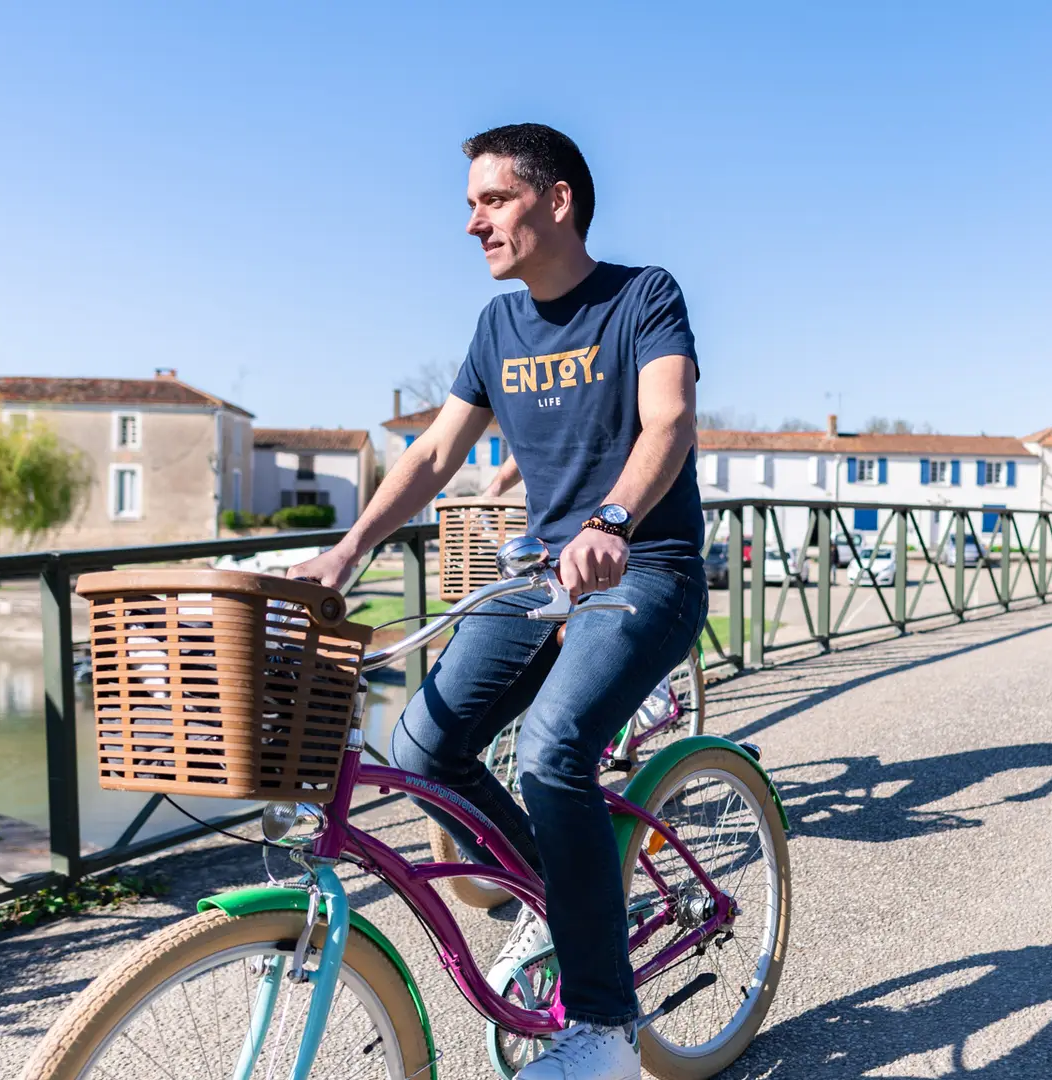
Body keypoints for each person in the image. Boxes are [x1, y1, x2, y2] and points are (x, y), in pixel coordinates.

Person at [291, 123, 704, 1080]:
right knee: (420, 746)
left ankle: (601, 1024)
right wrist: (350, 549)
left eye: (491, 200)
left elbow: (670, 418)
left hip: (646, 568)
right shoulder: (496, 328)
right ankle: (563, 908)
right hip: (535, 576)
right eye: (470, 202)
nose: (471, 221)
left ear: (556, 200)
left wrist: (611, 518)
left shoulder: (644, 296)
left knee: (555, 751)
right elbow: (435, 454)